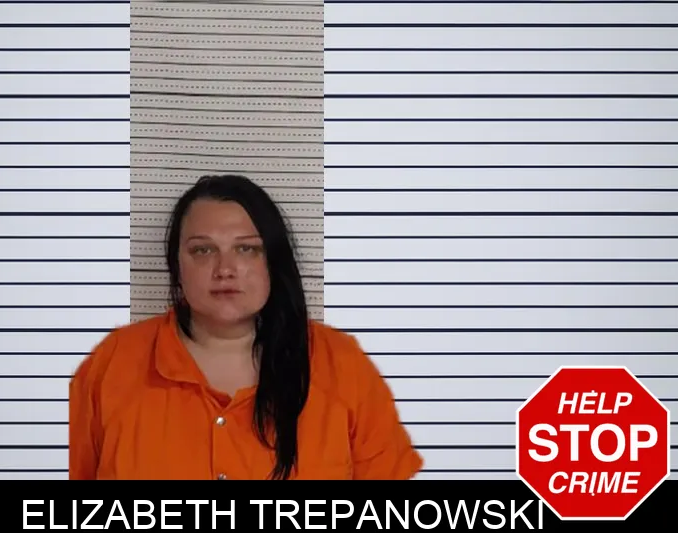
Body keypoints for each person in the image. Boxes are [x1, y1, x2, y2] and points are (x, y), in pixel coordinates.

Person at [68, 174, 423, 480]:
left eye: (247, 249)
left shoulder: (342, 364)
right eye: (203, 250)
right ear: (177, 265)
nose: (225, 269)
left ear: (273, 261)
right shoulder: (111, 364)